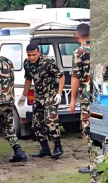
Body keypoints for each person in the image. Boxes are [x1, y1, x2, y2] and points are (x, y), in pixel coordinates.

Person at [19, 44, 65, 159]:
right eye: (29, 55)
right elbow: (28, 79)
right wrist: (24, 95)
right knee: (37, 124)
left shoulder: (48, 62)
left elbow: (61, 76)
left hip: (50, 96)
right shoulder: (27, 63)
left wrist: (59, 93)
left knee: (50, 121)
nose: (31, 57)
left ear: (39, 52)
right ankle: (45, 148)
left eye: (33, 55)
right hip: (38, 97)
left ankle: (58, 146)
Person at [68, 24, 94, 177]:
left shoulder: (80, 51)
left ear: (77, 36)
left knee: (89, 129)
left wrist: (72, 99)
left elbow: (75, 76)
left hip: (88, 98)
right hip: (104, 97)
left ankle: (95, 162)